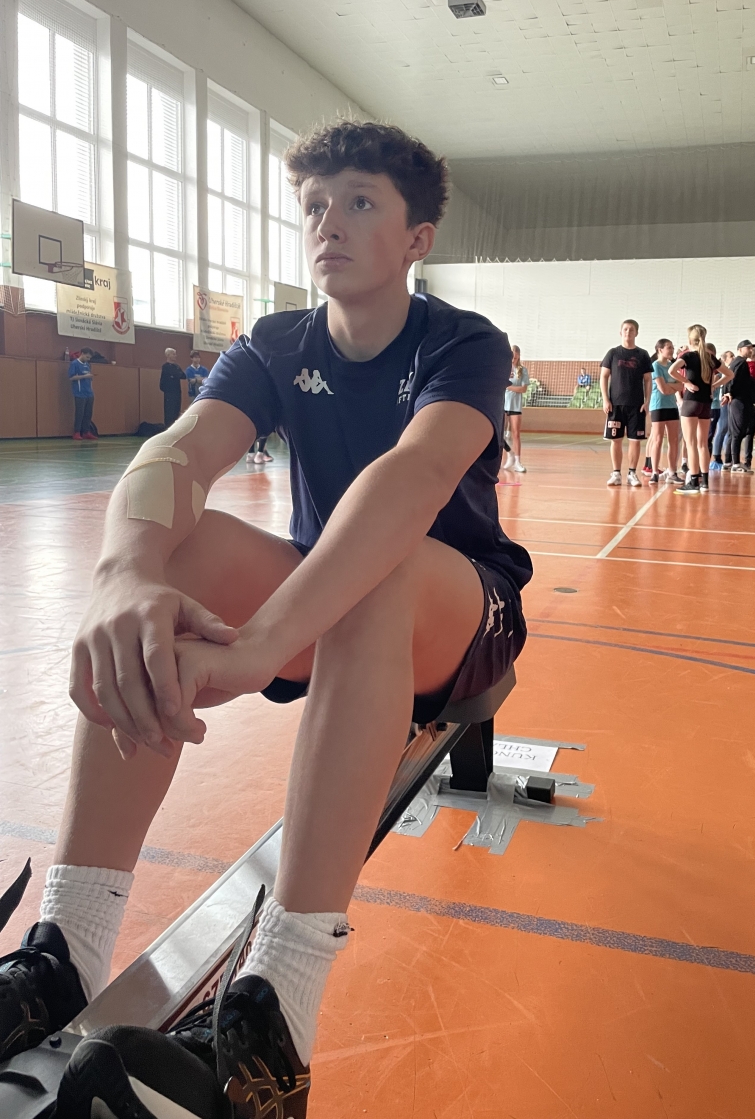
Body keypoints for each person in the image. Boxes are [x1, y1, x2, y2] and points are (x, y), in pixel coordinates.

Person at [0, 120, 532, 1114]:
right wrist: (123, 574)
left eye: (360, 202)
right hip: (329, 606)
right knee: (173, 561)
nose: (330, 223)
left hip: (456, 610)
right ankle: (65, 949)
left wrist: (260, 645)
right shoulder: (276, 343)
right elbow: (179, 451)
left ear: (416, 238)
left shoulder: (463, 342)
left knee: (379, 571)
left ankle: (278, 1013)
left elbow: (411, 480)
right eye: (316, 206)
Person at [669, 324, 732, 494]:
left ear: (690, 340)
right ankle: (704, 482)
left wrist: (686, 383)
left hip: (691, 402)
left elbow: (671, 370)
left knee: (691, 444)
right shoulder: (710, 357)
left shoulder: (688, 356)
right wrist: (714, 385)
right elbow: (729, 374)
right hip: (706, 404)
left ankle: (694, 481)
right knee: (703, 444)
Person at [600, 320, 653, 487]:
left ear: (636, 333)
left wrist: (647, 401)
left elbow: (648, 380)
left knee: (635, 440)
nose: (628, 332)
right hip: (615, 405)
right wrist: (605, 399)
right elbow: (604, 376)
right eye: (625, 329)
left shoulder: (642, 354)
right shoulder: (613, 353)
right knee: (615, 440)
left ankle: (632, 473)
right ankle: (616, 473)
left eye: (631, 330)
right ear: (620, 332)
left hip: (636, 405)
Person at [647, 338, 682, 484]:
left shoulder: (672, 367)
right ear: (660, 350)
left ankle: (672, 472)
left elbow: (681, 385)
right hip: (658, 406)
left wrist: (670, 386)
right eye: (669, 348)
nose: (672, 350)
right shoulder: (655, 366)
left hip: (672, 406)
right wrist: (672, 386)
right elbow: (663, 389)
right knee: (658, 439)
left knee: (674, 440)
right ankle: (655, 472)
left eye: (673, 347)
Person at [724, 339, 755, 474]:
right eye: (748, 348)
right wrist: (729, 392)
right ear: (740, 349)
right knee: (737, 432)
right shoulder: (740, 362)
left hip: (738, 400)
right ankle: (735, 464)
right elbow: (731, 379)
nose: (750, 350)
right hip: (738, 401)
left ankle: (729, 461)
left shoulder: (738, 362)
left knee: (734, 432)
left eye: (751, 348)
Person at [503, 345, 529, 473]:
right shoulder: (503, 368)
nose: (514, 356)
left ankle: (518, 462)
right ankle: (509, 453)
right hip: (502, 404)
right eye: (512, 354)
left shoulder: (522, 370)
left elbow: (523, 389)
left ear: (518, 355)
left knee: (516, 434)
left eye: (516, 354)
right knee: (499, 434)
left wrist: (508, 387)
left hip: (515, 405)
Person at [710, 350, 734, 469]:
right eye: (730, 356)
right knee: (722, 429)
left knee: (728, 430)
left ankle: (728, 456)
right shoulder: (718, 375)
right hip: (719, 405)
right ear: (724, 360)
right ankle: (716, 457)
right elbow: (713, 389)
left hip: (728, 403)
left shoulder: (730, 373)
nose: (733, 357)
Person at [68, 348, 96, 441]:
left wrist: (91, 387)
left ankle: (86, 432)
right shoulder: (74, 364)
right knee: (79, 413)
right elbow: (71, 377)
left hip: (89, 392)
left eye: (89, 358)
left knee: (88, 413)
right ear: (82, 354)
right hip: (79, 392)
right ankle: (77, 432)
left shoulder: (87, 364)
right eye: (87, 357)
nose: (88, 359)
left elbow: (89, 378)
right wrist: (84, 376)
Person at [160, 348, 186, 429]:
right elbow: (162, 383)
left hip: (177, 392)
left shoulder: (177, 366)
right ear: (168, 355)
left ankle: (175, 428)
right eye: (173, 354)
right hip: (169, 393)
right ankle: (168, 429)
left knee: (176, 411)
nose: (175, 356)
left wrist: (174, 375)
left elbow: (183, 376)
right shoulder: (165, 366)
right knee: (169, 412)